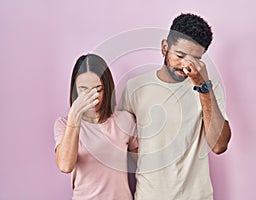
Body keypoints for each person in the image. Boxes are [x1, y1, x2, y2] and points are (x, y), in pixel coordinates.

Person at [118, 13, 232, 200]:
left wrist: (203, 87)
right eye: (180, 55)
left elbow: (219, 145)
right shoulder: (135, 87)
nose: (185, 64)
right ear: (164, 47)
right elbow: (125, 145)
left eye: (195, 58)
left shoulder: (209, 88)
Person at [54, 54, 138, 200]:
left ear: (107, 88)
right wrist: (75, 114)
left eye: (98, 90)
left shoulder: (125, 120)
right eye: (84, 90)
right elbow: (65, 166)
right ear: (75, 89)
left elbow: (143, 165)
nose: (93, 97)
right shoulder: (64, 124)